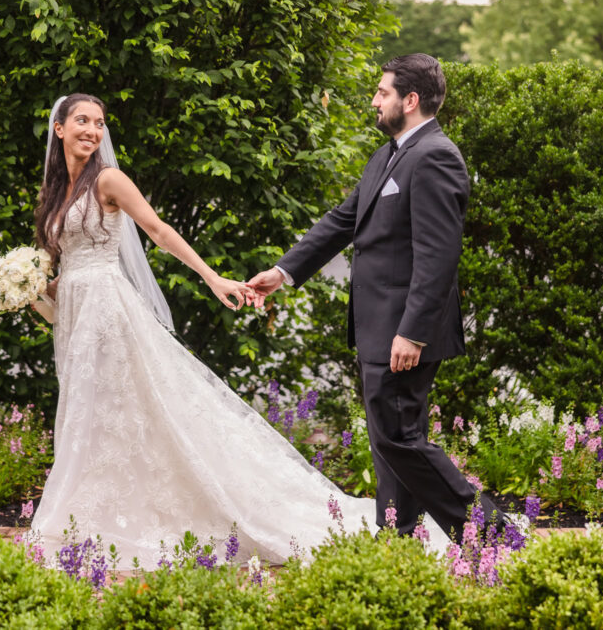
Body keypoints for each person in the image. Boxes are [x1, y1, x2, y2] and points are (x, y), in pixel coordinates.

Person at [28, 93, 444, 568]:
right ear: (58, 128)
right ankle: (92, 513)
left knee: (123, 407)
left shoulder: (109, 179)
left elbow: (159, 231)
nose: (92, 130)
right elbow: (67, 264)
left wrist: (212, 276)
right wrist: (33, 289)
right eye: (82, 121)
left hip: (107, 310)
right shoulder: (54, 191)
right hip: (76, 314)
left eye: (99, 123)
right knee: (87, 408)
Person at [248, 54, 502, 542]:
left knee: (399, 439)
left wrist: (412, 332)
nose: (374, 101)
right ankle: (398, 541)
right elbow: (344, 220)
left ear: (409, 100)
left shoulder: (435, 156)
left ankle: (490, 534)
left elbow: (437, 256)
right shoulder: (388, 155)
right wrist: (283, 272)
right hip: (379, 328)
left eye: (381, 93)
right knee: (390, 443)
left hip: (403, 332)